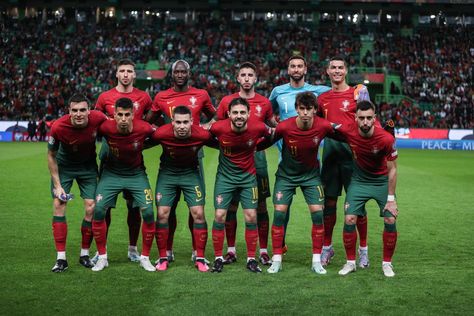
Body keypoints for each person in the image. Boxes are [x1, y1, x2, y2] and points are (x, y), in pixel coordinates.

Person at [147, 59, 216, 263]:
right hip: (169, 156)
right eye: (176, 71)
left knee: (195, 207)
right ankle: (167, 250)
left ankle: (197, 250)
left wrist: (204, 127)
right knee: (170, 207)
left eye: (183, 71)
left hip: (195, 157)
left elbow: (216, 116)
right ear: (171, 74)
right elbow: (150, 119)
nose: (179, 74)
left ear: (189, 73)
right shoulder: (162, 96)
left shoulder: (200, 95)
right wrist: (162, 130)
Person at [266, 92, 335, 274]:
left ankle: (316, 261)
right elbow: (264, 142)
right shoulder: (284, 127)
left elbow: (347, 134)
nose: (305, 113)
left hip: (311, 177)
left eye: (309, 109)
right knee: (279, 214)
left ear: (315, 110)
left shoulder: (324, 126)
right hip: (286, 176)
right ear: (297, 109)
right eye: (302, 109)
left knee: (317, 215)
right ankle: (277, 259)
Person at [216, 62, 277, 266]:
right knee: (231, 206)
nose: (247, 78)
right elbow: (218, 129)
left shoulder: (264, 103)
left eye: (251, 74)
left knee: (260, 206)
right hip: (231, 163)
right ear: (238, 78)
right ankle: (231, 250)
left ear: (255, 78)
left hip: (256, 161)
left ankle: (263, 250)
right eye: (243, 74)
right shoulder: (226, 102)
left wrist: (260, 146)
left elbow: (272, 130)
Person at [269, 55, 330, 253]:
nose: (296, 69)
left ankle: (322, 249)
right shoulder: (278, 91)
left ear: (305, 69)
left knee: (318, 207)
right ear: (288, 70)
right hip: (285, 157)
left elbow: (340, 94)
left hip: (311, 158)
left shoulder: (319, 91)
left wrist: (359, 89)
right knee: (282, 207)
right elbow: (266, 115)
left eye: (299, 66)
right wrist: (275, 130)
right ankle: (281, 244)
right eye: (292, 66)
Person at [94, 58, 152, 263]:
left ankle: (133, 248)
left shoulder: (144, 97)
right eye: (122, 71)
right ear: (116, 74)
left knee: (134, 206)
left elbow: (150, 122)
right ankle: (102, 250)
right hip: (109, 156)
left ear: (134, 75)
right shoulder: (105, 97)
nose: (126, 74)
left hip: (133, 157)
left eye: (129, 71)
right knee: (104, 206)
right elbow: (96, 122)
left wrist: (140, 141)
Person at [317, 56, 371, 268]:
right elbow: (319, 126)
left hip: (354, 156)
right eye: (333, 68)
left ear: (346, 71)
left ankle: (363, 250)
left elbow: (369, 120)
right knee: (328, 204)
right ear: (328, 72)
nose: (337, 71)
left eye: (341, 67)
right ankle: (327, 248)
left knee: (357, 205)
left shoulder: (357, 94)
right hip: (330, 156)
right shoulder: (322, 99)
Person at [335, 100, 399, 277]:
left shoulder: (386, 139)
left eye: (369, 118)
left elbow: (393, 169)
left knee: (390, 220)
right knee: (349, 219)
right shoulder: (348, 130)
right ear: (355, 118)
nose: (365, 122)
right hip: (359, 182)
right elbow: (327, 125)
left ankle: (387, 264)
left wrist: (391, 200)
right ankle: (350, 263)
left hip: (381, 182)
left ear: (374, 118)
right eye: (361, 118)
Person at [209, 97, 272, 273]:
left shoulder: (258, 127)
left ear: (249, 114)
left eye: (242, 112)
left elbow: (273, 135)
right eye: (235, 112)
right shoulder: (218, 127)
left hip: (248, 178)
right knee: (220, 215)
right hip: (225, 178)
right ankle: (218, 258)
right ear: (228, 114)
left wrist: (257, 148)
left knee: (251, 216)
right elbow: (204, 137)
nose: (239, 116)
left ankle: (251, 259)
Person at [47, 93, 107, 272]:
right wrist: (57, 185)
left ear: (90, 111)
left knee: (91, 207)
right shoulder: (58, 127)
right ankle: (61, 259)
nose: (79, 114)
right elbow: (51, 155)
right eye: (75, 110)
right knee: (59, 204)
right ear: (69, 111)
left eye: (82, 110)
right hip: (65, 167)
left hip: (88, 167)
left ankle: (84, 254)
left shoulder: (98, 118)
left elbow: (114, 128)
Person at [151, 105, 213, 272]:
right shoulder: (161, 133)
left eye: (186, 122)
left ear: (192, 122)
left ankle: (200, 257)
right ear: (172, 122)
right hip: (167, 174)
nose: (182, 126)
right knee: (163, 213)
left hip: (190, 174)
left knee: (198, 214)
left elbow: (221, 141)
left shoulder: (202, 134)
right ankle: (163, 256)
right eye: (178, 122)